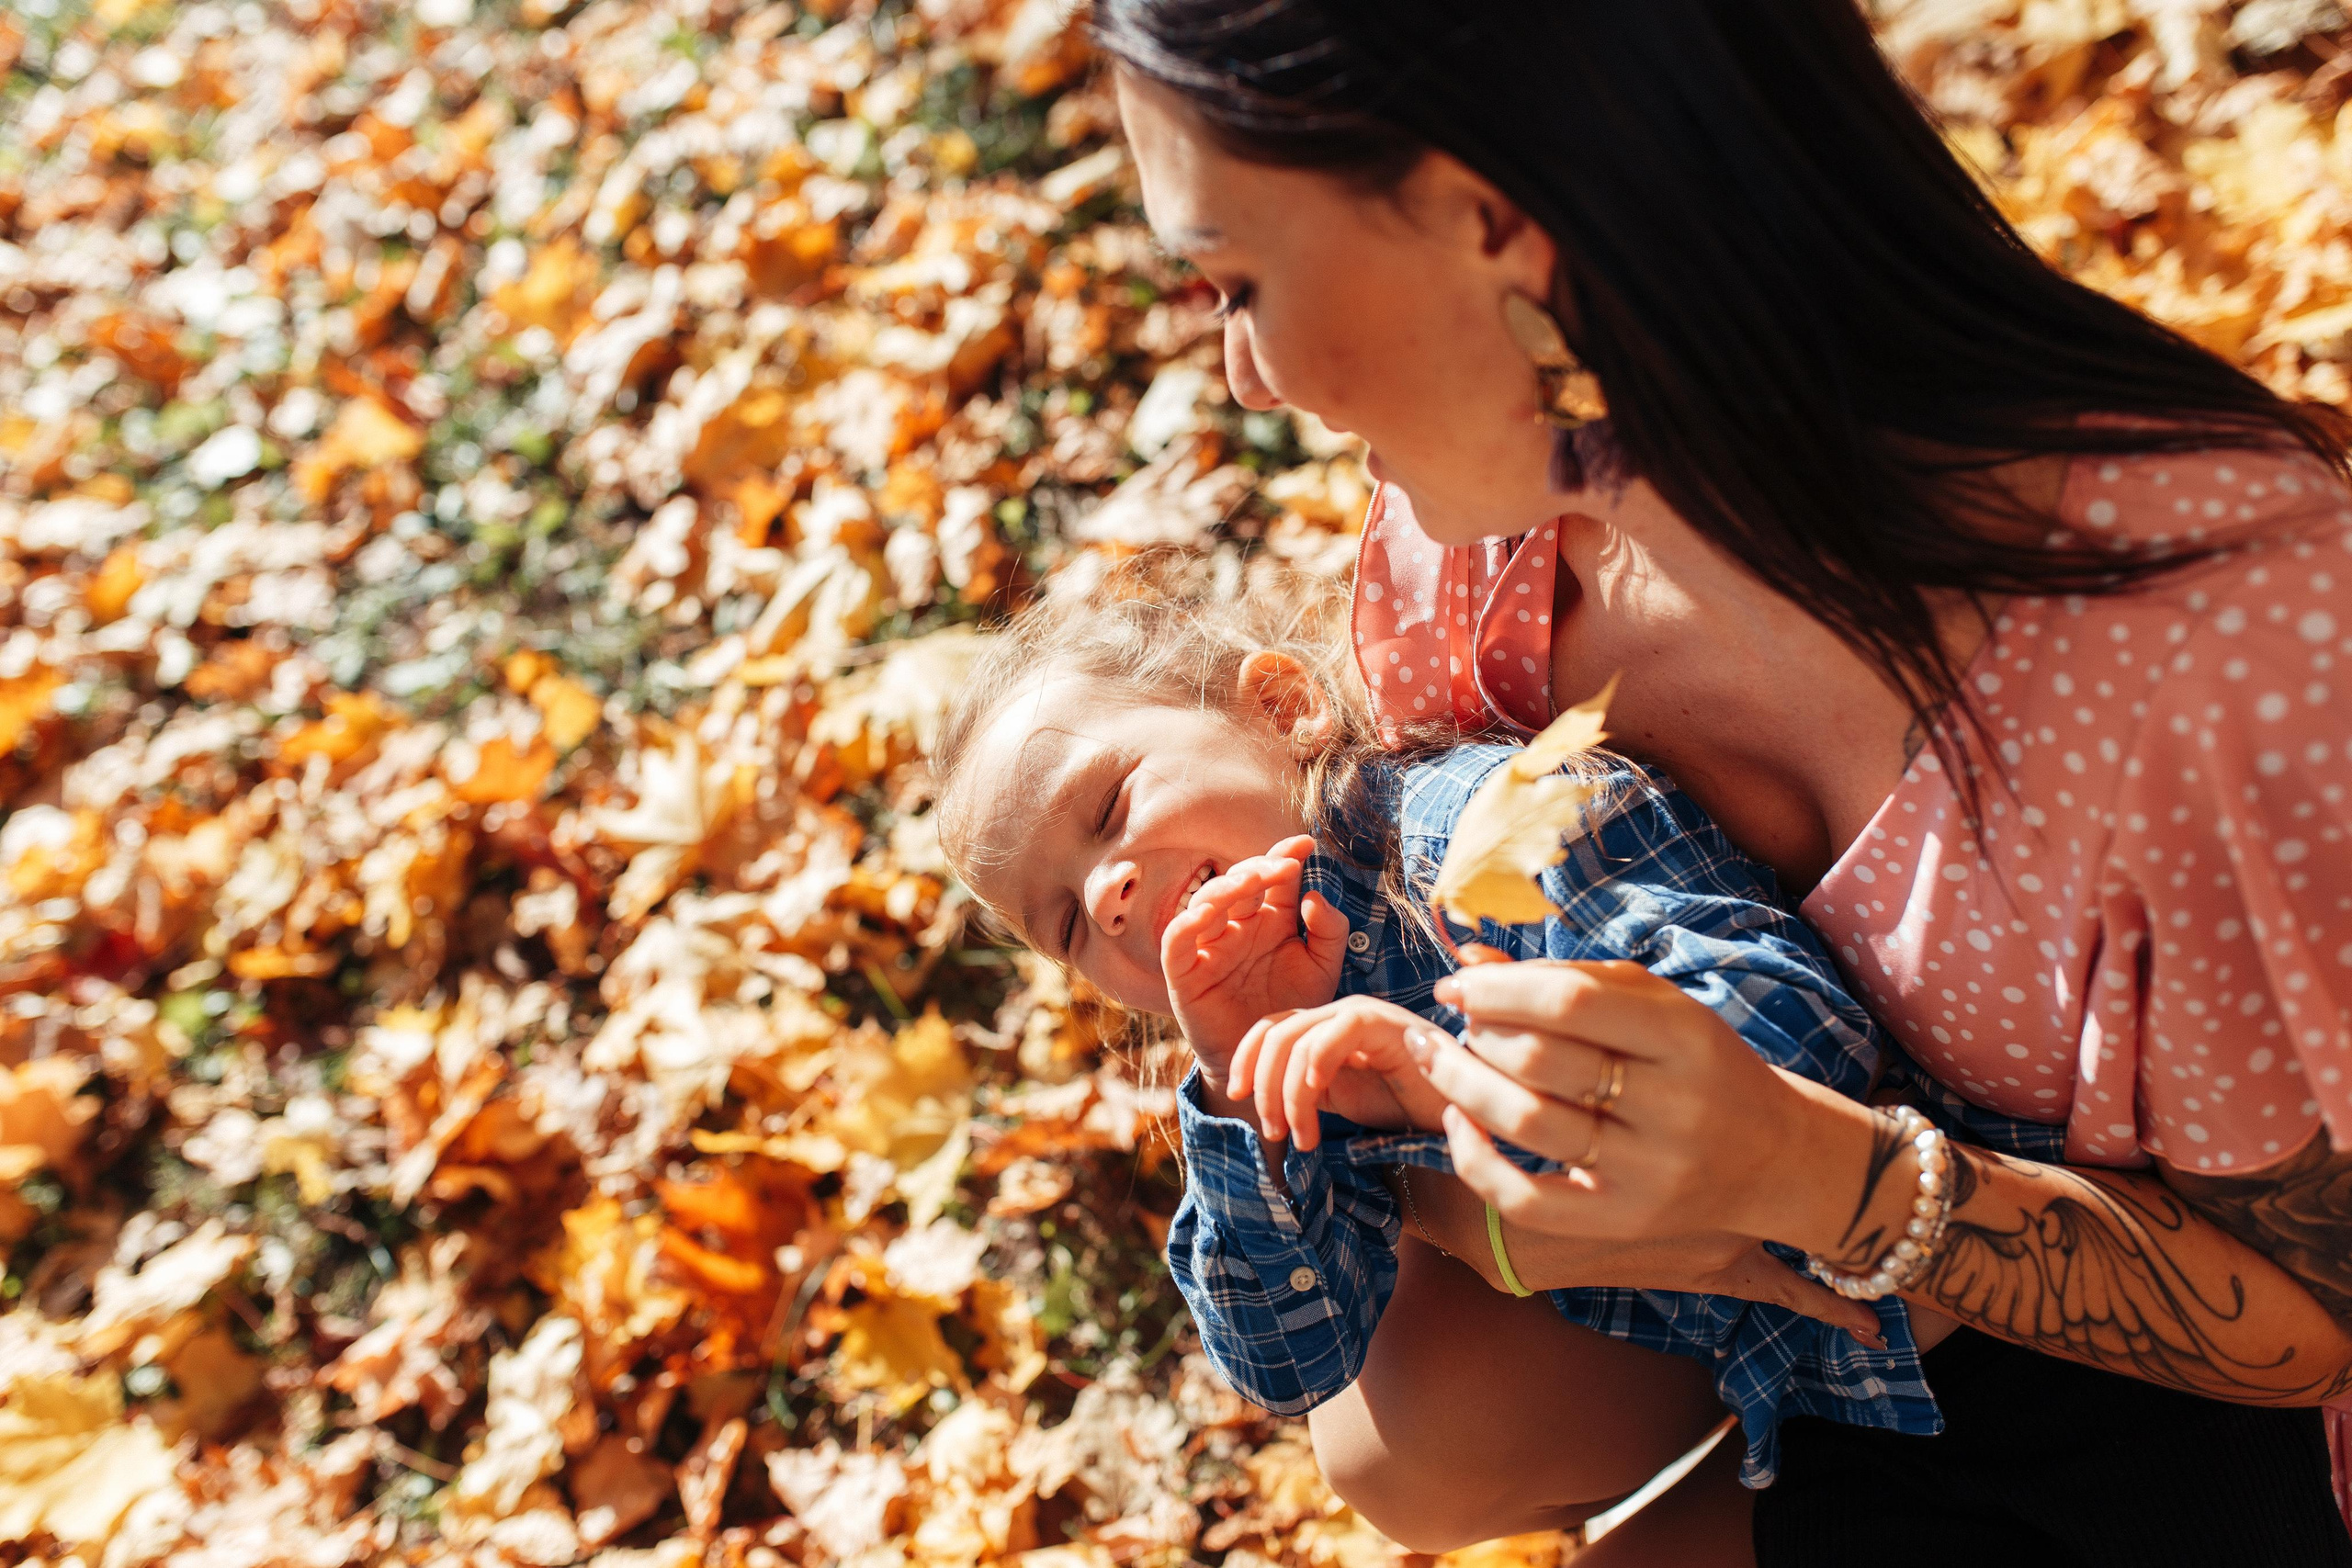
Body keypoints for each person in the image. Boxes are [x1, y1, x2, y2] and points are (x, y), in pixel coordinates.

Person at [1091, 1, 2352, 1563]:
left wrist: (1816, 1173)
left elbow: (2308, 1328)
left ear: (1495, 221)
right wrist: (1429, 1137)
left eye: (1240, 281)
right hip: (1836, 1342)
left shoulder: (2214, 656)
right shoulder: (1479, 562)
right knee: (1410, 1424)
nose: (1247, 375)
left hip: (2212, 1422)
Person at [926, 567, 2345, 1565]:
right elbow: (1291, 1355)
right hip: (1831, 1414)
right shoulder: (1269, 1052)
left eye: (1111, 807)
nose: (1111, 893)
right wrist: (1253, 1115)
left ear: (1285, 707)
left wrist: (1439, 1076)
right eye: (1068, 918)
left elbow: (1797, 1051)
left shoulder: (1491, 836)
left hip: (2031, 1327)